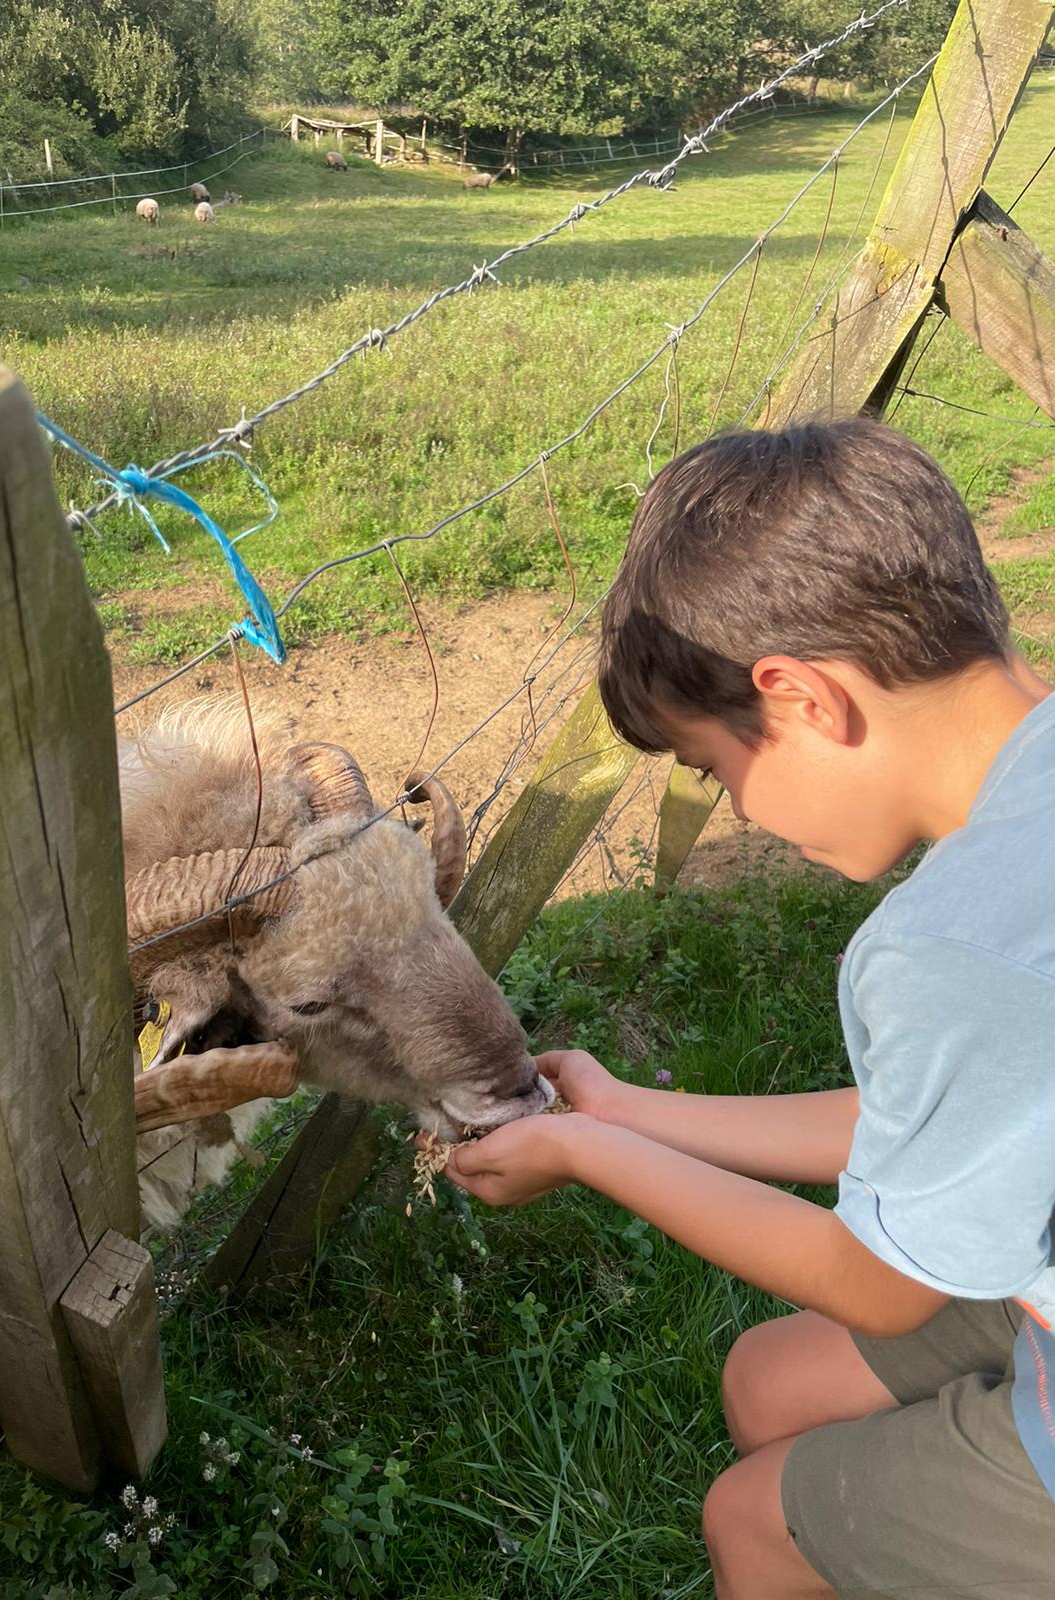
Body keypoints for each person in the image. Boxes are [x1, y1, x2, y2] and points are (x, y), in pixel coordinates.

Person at [440, 419, 1055, 1599]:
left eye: (719, 770)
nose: (739, 810)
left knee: (750, 1521)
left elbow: (876, 1285)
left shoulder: (951, 945)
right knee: (770, 1384)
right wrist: (629, 1111)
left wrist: (583, 1153)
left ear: (801, 698)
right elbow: (946, 1111)